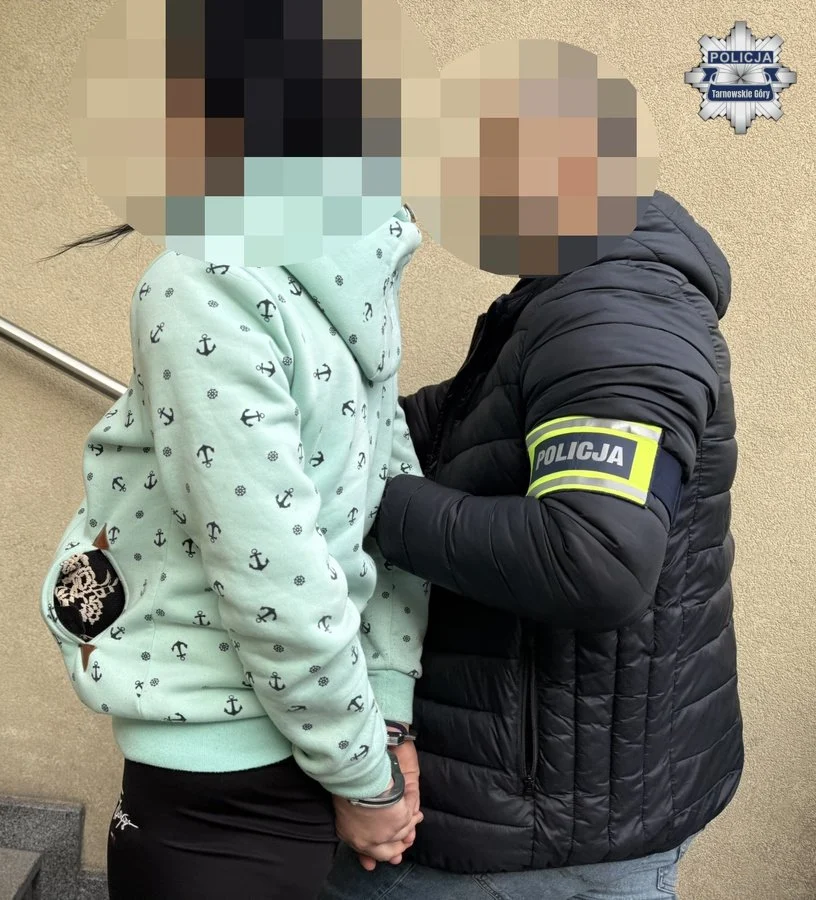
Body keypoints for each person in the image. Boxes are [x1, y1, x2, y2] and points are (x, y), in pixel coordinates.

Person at [321, 190, 742, 899]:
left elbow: (594, 557)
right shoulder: (563, 297)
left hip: (538, 819)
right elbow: (462, 433)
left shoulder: (618, 310)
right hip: (555, 792)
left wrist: (372, 505)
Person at [42, 209, 432, 899]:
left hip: (217, 797)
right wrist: (382, 736)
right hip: (307, 761)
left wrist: (369, 778)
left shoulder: (204, 280)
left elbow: (278, 582)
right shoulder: (351, 292)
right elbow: (389, 510)